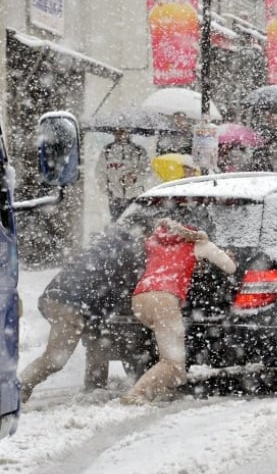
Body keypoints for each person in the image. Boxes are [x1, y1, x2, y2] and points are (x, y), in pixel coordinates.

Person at [19, 228, 146, 403]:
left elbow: (103, 286)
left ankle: (95, 388)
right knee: (56, 358)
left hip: (57, 297)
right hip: (69, 304)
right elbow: (120, 292)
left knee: (99, 341)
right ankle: (18, 388)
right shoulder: (131, 254)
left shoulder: (109, 244)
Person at [120, 218, 236, 405]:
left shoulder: (153, 240)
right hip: (165, 300)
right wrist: (217, 253)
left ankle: (160, 389)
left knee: (171, 361)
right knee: (174, 366)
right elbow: (231, 268)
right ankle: (136, 394)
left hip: (140, 298)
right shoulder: (199, 243)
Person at [96, 128, 150, 220]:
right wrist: (107, 190)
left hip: (135, 195)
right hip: (115, 196)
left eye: (125, 131)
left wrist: (135, 177)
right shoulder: (107, 150)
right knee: (116, 222)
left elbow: (147, 171)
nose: (122, 134)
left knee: (136, 223)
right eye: (119, 131)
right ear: (114, 133)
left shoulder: (139, 150)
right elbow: (100, 171)